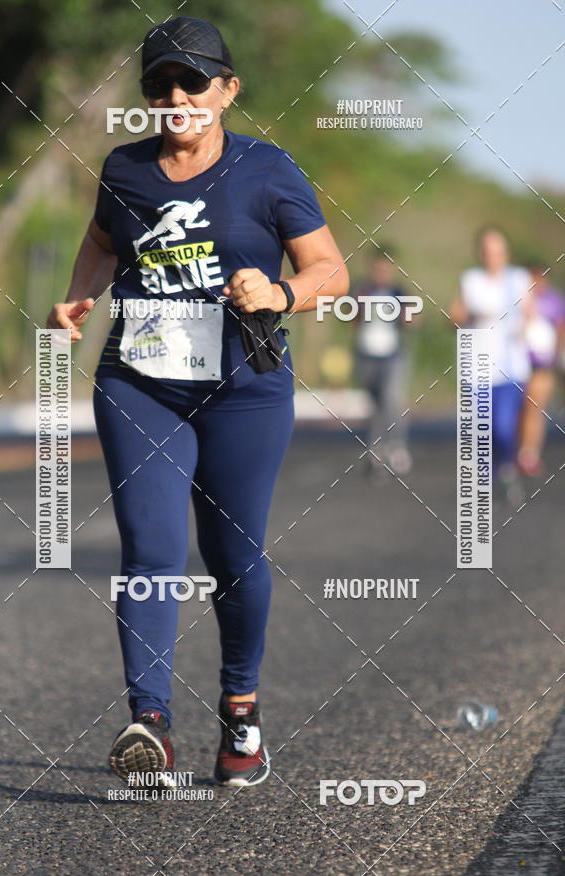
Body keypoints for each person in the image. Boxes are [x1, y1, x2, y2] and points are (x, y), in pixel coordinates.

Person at [46, 16, 348, 788]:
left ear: (227, 90)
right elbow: (103, 242)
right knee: (151, 549)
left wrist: (281, 291)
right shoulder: (125, 168)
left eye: (191, 81)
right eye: (158, 84)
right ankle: (149, 720)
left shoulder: (268, 170)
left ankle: (240, 714)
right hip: (138, 382)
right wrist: (77, 298)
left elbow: (329, 272)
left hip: (243, 390)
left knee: (233, 556)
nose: (175, 96)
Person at [450, 227, 532, 501]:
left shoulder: (519, 279)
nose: (492, 256)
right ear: (480, 253)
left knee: (504, 427)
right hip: (477, 368)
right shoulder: (470, 280)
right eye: (486, 250)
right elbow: (453, 317)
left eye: (497, 250)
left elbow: (531, 315)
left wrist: (526, 330)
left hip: (512, 368)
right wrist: (470, 315)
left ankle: (506, 468)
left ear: (506, 252)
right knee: (480, 428)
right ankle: (485, 482)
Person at [353, 247, 414, 476]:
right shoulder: (362, 290)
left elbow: (413, 320)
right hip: (366, 354)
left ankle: (397, 446)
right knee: (374, 404)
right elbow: (351, 320)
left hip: (393, 355)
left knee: (391, 401)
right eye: (377, 269)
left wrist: (404, 315)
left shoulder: (399, 292)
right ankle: (376, 449)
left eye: (385, 270)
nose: (381, 274)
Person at [517, 264, 565, 476]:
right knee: (518, 409)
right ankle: (514, 449)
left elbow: (560, 328)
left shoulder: (554, 301)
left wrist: (556, 356)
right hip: (518, 361)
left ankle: (529, 453)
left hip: (543, 363)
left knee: (535, 408)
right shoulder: (518, 299)